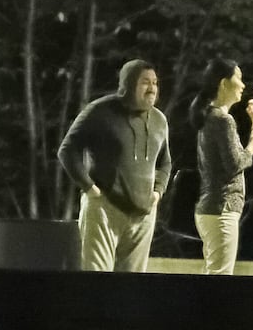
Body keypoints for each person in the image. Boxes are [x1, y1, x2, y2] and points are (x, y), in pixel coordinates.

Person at [58, 59, 172, 272]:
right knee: (97, 280)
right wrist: (89, 188)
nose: (152, 88)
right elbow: (67, 150)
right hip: (104, 208)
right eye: (145, 82)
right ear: (129, 84)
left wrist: (158, 191)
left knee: (132, 285)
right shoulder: (100, 111)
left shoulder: (159, 120)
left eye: (155, 83)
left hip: (143, 215)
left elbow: (165, 162)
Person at [188, 58, 253, 275]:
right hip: (221, 209)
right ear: (224, 83)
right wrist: (252, 145)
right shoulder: (223, 120)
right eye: (238, 79)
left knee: (216, 273)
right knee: (220, 277)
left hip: (213, 209)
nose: (243, 85)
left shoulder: (211, 117)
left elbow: (239, 157)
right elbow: (235, 164)